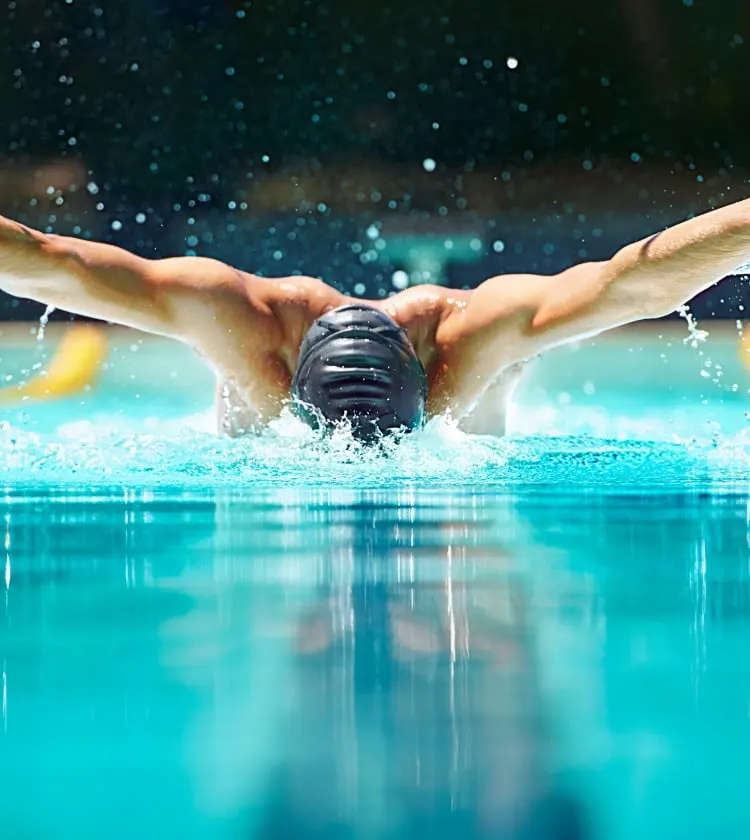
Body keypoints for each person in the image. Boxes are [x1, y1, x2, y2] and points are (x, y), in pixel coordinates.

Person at [0, 199, 747, 439]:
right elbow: (51, 260)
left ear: (430, 388)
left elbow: (635, 282)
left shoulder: (473, 333)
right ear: (286, 384)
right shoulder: (237, 317)